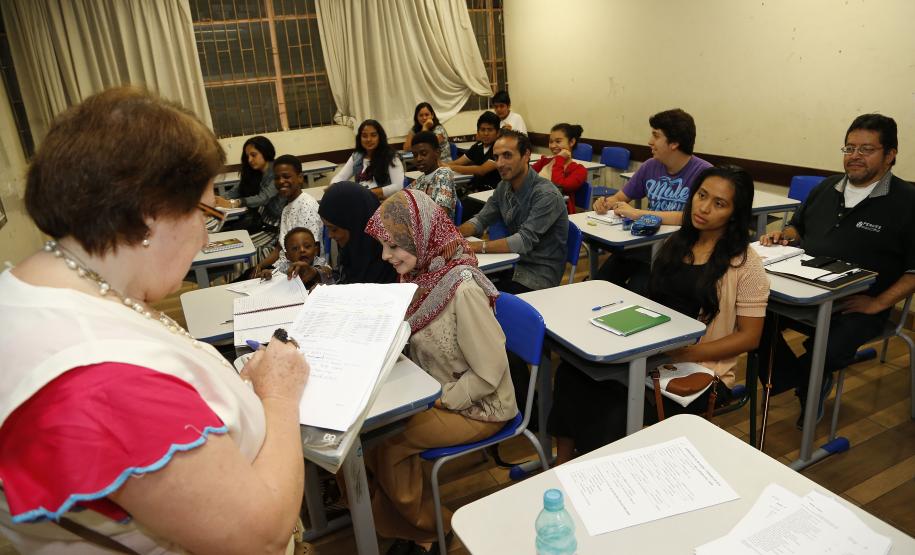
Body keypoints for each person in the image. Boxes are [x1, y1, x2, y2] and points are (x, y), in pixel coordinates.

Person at [0, 87, 311, 553]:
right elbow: (259, 537)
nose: (206, 240)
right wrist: (279, 395)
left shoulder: (46, 289)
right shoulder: (99, 377)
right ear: (151, 213)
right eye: (206, 212)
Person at [549, 166, 769, 464]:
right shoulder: (676, 243)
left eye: (719, 204)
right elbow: (654, 305)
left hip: (697, 367)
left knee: (614, 402)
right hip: (651, 349)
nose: (703, 208)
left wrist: (686, 353)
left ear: (735, 213)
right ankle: (563, 467)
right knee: (573, 372)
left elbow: (750, 337)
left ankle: (602, 473)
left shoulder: (745, 264)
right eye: (701, 195)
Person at [364, 189, 517, 555]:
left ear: (420, 237)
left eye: (393, 247)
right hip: (433, 390)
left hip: (478, 404)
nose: (386, 257)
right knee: (369, 437)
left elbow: (490, 371)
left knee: (388, 444)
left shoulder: (461, 288)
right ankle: (411, 527)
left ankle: (438, 528)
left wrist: (440, 400)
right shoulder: (419, 275)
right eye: (383, 247)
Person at [758, 113, 915, 428]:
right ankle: (802, 378)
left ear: (890, 155)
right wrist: (782, 236)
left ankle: (809, 379)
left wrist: (878, 304)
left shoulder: (907, 202)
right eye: (849, 148)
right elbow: (797, 229)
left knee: (827, 349)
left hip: (857, 305)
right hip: (803, 292)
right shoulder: (827, 187)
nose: (855, 156)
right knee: (750, 316)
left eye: (866, 149)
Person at [592, 108, 712, 289]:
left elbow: (688, 217)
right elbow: (621, 197)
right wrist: (606, 203)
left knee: (638, 290)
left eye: (656, 136)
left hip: (678, 251)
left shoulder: (704, 174)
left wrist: (638, 214)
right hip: (644, 242)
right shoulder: (650, 166)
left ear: (674, 143)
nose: (650, 142)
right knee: (601, 282)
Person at [458, 129, 568, 294]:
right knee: (460, 288)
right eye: (496, 157)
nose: (500, 164)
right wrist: (453, 236)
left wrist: (470, 246)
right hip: (510, 264)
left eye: (507, 155)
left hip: (537, 276)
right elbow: (481, 219)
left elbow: (522, 241)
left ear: (526, 155)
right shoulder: (504, 186)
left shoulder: (546, 194)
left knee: (475, 298)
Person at [252, 154, 323, 279]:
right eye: (277, 178)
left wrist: (277, 274)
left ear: (300, 178)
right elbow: (280, 248)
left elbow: (309, 255)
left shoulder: (307, 206)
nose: (281, 181)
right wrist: (259, 266)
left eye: (286, 177)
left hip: (303, 271)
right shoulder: (287, 207)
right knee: (250, 274)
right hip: (286, 266)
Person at [318, 181, 398, 284]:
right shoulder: (352, 249)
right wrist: (317, 274)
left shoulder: (390, 258)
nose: (329, 235)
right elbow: (343, 276)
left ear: (355, 223)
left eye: (334, 229)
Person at [331, 119, 405, 200]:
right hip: (362, 202)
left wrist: (367, 193)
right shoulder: (356, 156)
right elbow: (340, 177)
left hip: (383, 204)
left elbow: (398, 186)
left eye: (373, 135)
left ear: (380, 137)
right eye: (364, 136)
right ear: (360, 138)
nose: (369, 139)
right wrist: (333, 187)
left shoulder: (391, 157)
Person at [530, 123, 588, 213]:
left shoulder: (579, 170)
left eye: (558, 141)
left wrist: (559, 159)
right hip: (535, 206)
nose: (553, 145)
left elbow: (558, 186)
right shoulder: (545, 161)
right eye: (551, 141)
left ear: (572, 142)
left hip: (560, 212)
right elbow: (526, 176)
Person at [408, 130, 457, 218]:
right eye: (415, 155)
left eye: (424, 153)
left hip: (439, 230)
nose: (418, 159)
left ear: (437, 153)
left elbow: (440, 215)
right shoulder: (420, 180)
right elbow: (401, 199)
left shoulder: (444, 175)